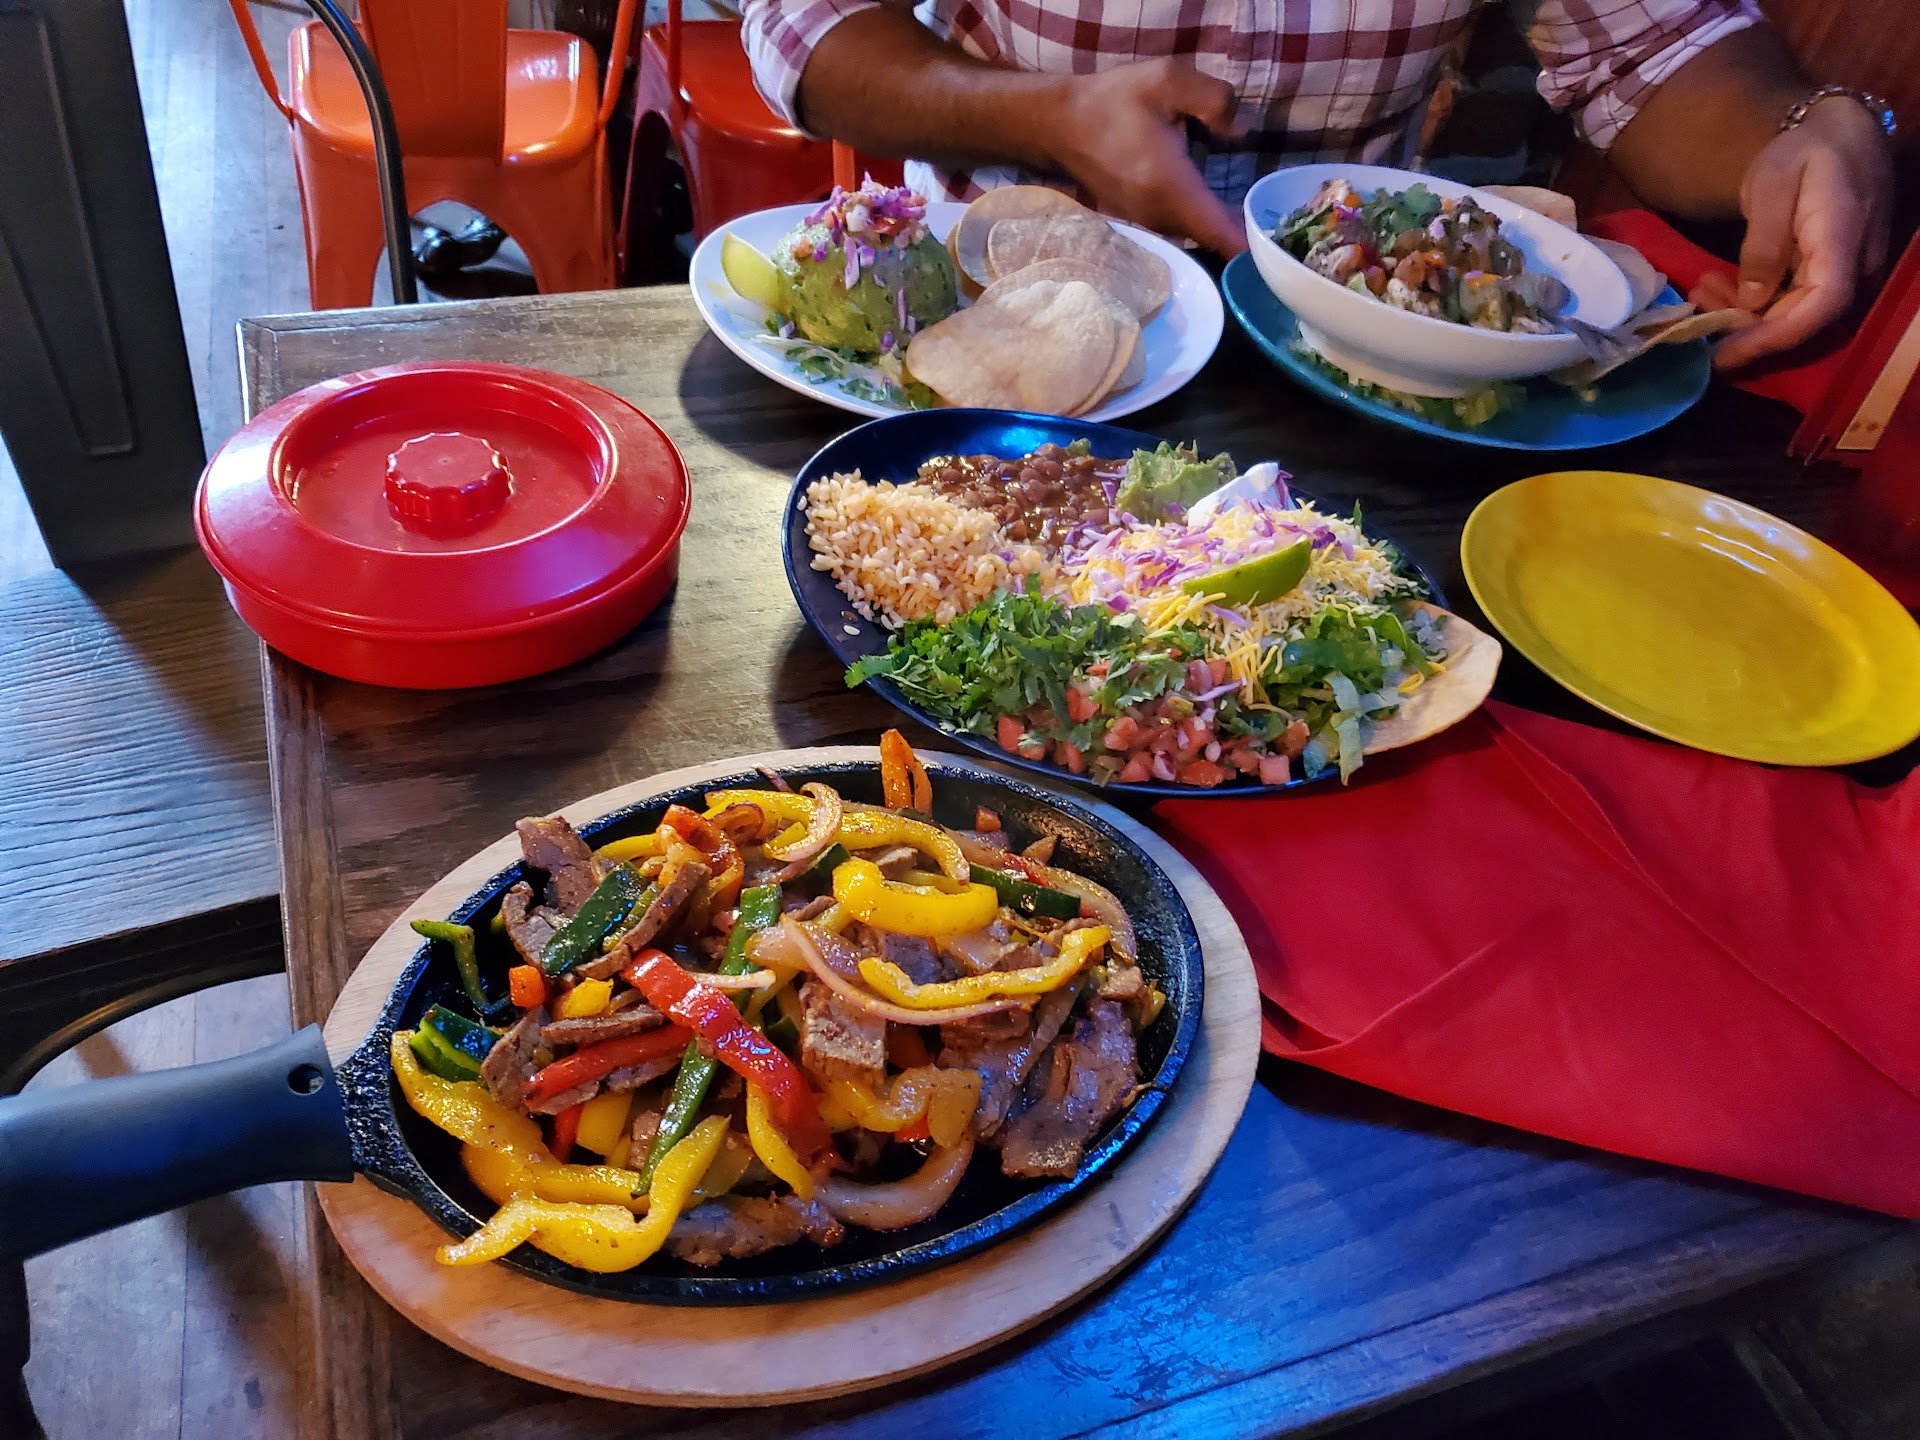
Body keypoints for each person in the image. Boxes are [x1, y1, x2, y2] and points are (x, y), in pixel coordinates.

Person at [741, 0, 1895, 369]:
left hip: (1351, 357)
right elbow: (806, 23)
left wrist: (1804, 129)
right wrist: (1044, 116)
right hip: (985, 335)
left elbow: (1654, 43)